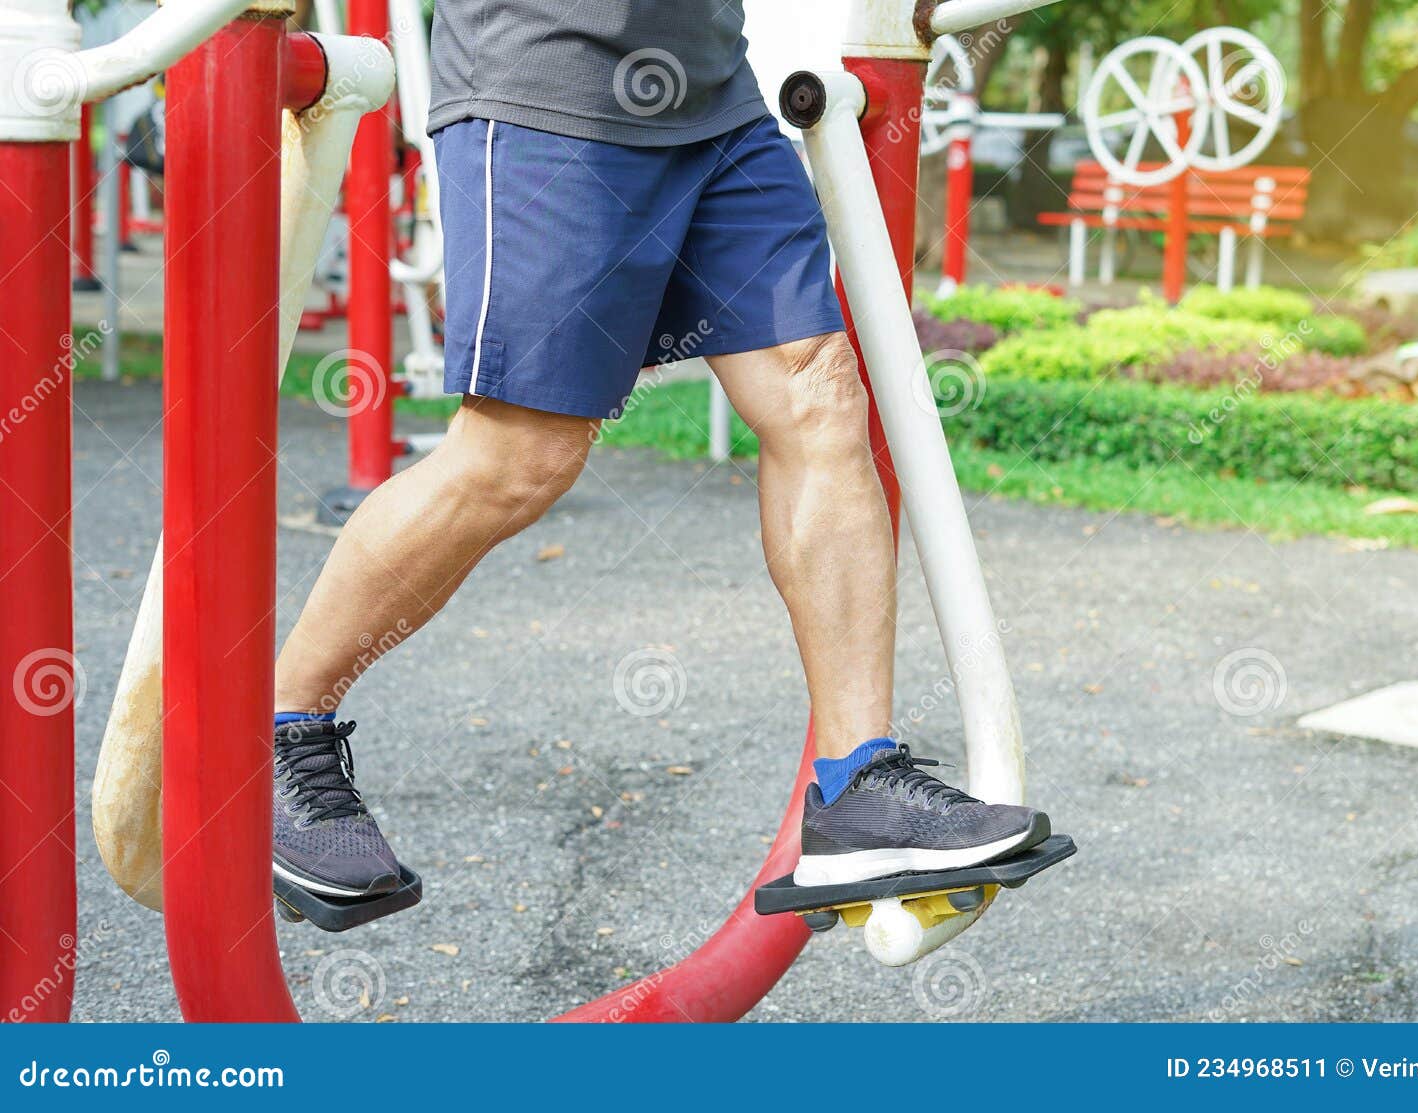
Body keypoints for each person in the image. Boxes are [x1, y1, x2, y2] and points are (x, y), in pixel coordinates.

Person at [269, 0, 1051, 906]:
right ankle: (281, 725)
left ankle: (856, 782)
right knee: (520, 455)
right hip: (548, 87)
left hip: (716, 98)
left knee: (819, 394)